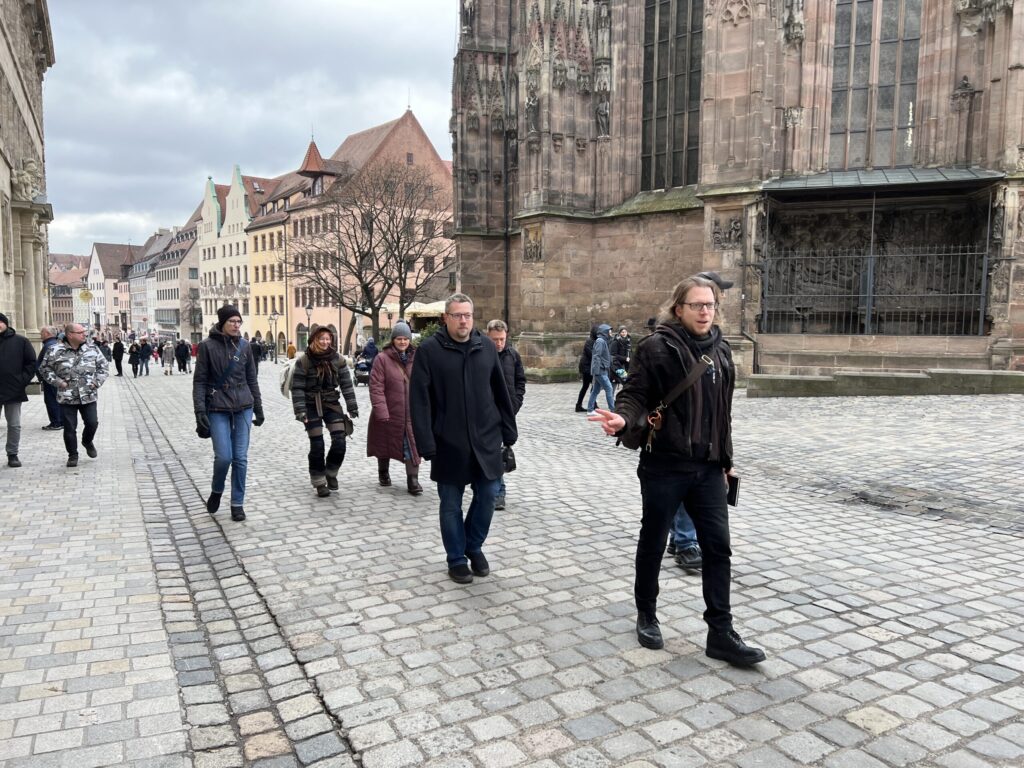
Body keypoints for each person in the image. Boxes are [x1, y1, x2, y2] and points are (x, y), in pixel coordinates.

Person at [589, 275, 765, 667]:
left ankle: (720, 632)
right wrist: (622, 417)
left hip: (707, 469)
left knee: (718, 549)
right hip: (665, 466)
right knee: (653, 542)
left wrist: (726, 461)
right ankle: (647, 614)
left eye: (710, 305)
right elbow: (635, 393)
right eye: (697, 305)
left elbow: (723, 415)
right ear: (679, 308)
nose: (705, 311)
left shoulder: (721, 352)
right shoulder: (657, 347)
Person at [410, 293, 517, 584]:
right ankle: (456, 558)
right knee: (450, 504)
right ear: (446, 318)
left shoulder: (486, 347)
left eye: (467, 315)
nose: (463, 320)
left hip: (486, 438)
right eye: (457, 315)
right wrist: (426, 442)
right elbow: (419, 401)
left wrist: (509, 429)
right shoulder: (430, 351)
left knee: (489, 494)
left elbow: (500, 392)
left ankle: (473, 544)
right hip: (449, 440)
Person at [668, 271, 735, 572]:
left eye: (713, 301)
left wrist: (725, 450)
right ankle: (684, 541)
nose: (710, 306)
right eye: (702, 302)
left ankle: (679, 538)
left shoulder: (719, 346)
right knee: (685, 487)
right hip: (680, 439)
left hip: (708, 439)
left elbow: (724, 404)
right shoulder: (670, 344)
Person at [193, 306, 264, 522]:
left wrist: (258, 407)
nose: (236, 325)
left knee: (240, 458)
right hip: (217, 407)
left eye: (238, 321)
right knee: (224, 457)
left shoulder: (244, 346)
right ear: (222, 322)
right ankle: (217, 489)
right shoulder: (207, 346)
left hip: (243, 405)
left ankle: (237, 503)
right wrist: (199, 410)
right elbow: (200, 381)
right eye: (232, 321)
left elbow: (252, 378)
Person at [290, 324, 358, 497]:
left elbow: (346, 385)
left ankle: (331, 472)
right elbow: (297, 387)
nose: (325, 341)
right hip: (310, 404)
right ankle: (319, 481)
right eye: (322, 338)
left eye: (328, 338)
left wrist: (352, 406)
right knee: (317, 444)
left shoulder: (338, 359)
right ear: (314, 339)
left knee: (340, 442)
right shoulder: (304, 361)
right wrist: (300, 410)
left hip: (331, 403)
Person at [38, 323, 109, 468]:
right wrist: (57, 382)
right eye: (80, 332)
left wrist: (96, 383)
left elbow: (103, 367)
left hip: (88, 395)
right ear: (70, 334)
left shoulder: (92, 349)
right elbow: (44, 369)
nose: (84, 334)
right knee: (70, 428)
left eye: (84, 332)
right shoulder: (55, 350)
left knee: (92, 423)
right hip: (67, 396)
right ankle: (72, 455)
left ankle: (87, 441)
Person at [366, 321, 422, 495]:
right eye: (399, 338)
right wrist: (381, 410)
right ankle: (383, 472)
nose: (403, 342)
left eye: (406, 338)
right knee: (384, 443)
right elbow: (376, 386)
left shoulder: (417, 358)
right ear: (393, 340)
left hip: (411, 413)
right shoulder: (382, 359)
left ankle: (413, 480)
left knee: (411, 445)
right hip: (389, 411)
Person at [486, 319, 525, 511]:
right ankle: (496, 491)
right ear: (488, 337)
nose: (499, 343)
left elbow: (520, 381)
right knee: (492, 452)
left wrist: (515, 403)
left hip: (507, 414)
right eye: (495, 339)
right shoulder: (482, 355)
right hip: (486, 413)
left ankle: (498, 492)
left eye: (502, 339)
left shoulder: (513, 355)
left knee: (501, 452)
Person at [0, 312, 37, 467]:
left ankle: (12, 454)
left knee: (14, 425)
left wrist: (22, 381)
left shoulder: (20, 341)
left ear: (5, 323)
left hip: (13, 389)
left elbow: (31, 363)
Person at [37, 326, 63, 429]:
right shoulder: (56, 344)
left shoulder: (48, 345)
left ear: (47, 333)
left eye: (42, 332)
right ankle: (60, 421)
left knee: (51, 400)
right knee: (57, 400)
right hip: (56, 378)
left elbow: (43, 365)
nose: (40, 334)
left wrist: (42, 378)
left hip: (50, 379)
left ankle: (56, 423)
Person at [586, 323, 614, 414]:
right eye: (610, 331)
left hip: (602, 369)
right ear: (605, 332)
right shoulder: (600, 341)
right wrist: (596, 371)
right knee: (609, 388)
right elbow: (596, 356)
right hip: (600, 370)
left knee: (595, 390)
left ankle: (590, 409)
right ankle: (613, 409)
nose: (611, 333)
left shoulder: (603, 341)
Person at [574, 325, 597, 413]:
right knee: (592, 386)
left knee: (588, 386)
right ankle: (591, 404)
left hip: (589, 367)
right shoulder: (589, 341)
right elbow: (592, 354)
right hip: (586, 367)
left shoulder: (594, 341)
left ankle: (580, 405)